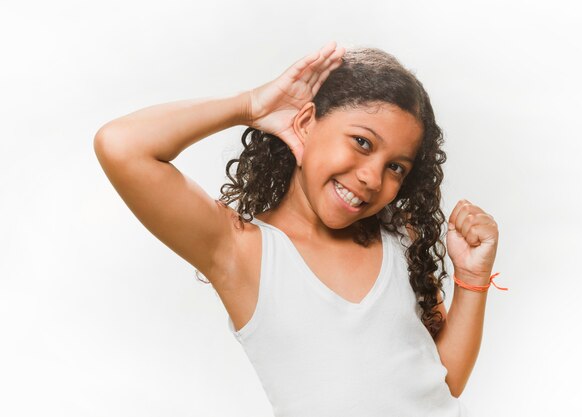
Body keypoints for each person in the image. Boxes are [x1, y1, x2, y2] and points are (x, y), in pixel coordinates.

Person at [94, 40, 504, 417]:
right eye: (362, 142)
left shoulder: (401, 236)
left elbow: (443, 383)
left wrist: (471, 279)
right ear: (306, 123)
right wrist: (249, 104)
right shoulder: (242, 251)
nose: (372, 178)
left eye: (395, 167)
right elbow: (121, 145)